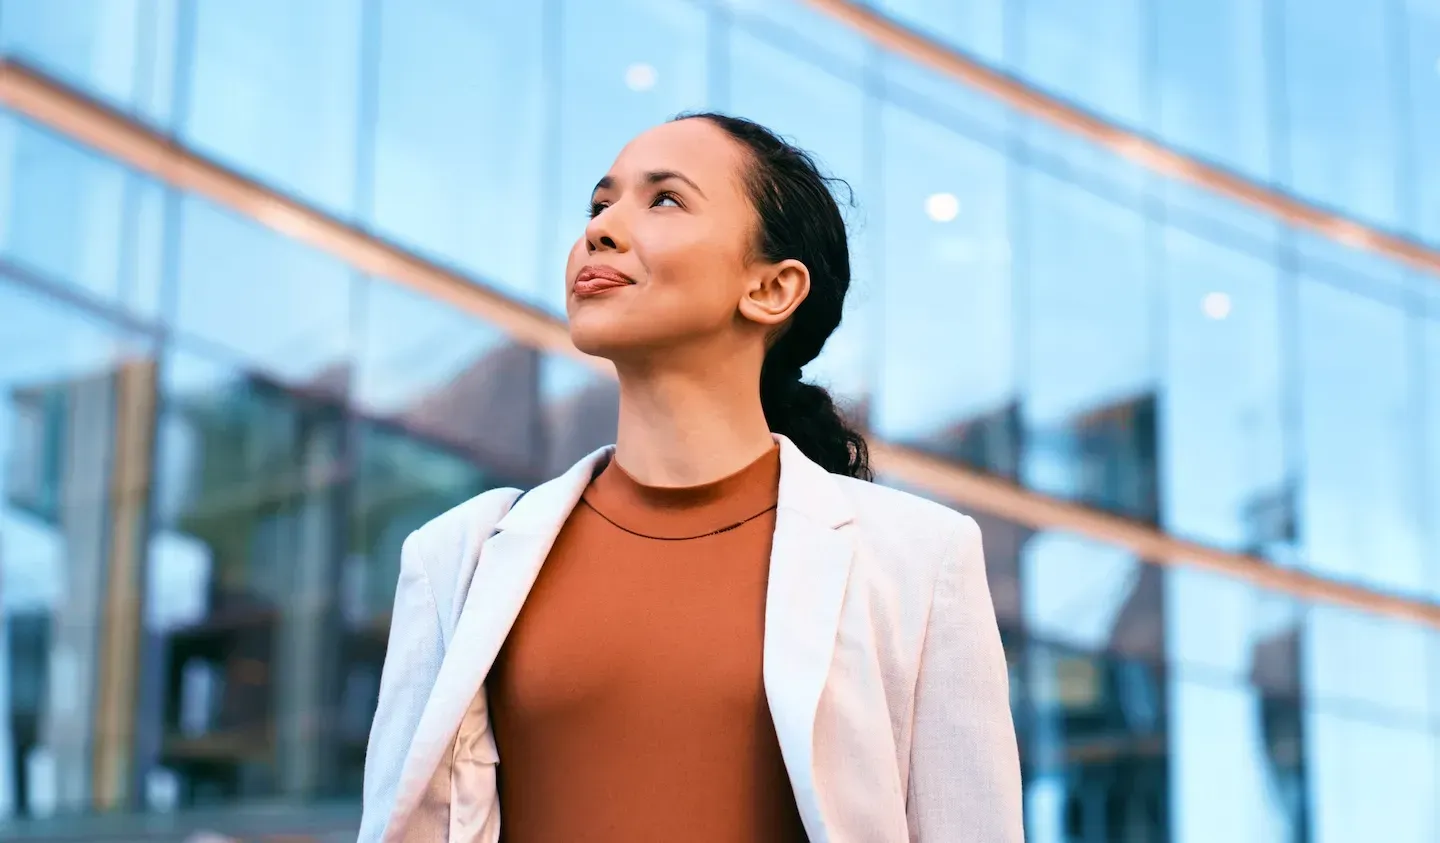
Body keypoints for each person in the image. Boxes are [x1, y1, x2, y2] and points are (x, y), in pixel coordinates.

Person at [359, 113, 1023, 843]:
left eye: (665, 199)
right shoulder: (458, 559)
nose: (602, 229)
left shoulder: (919, 560)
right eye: (599, 204)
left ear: (772, 289)